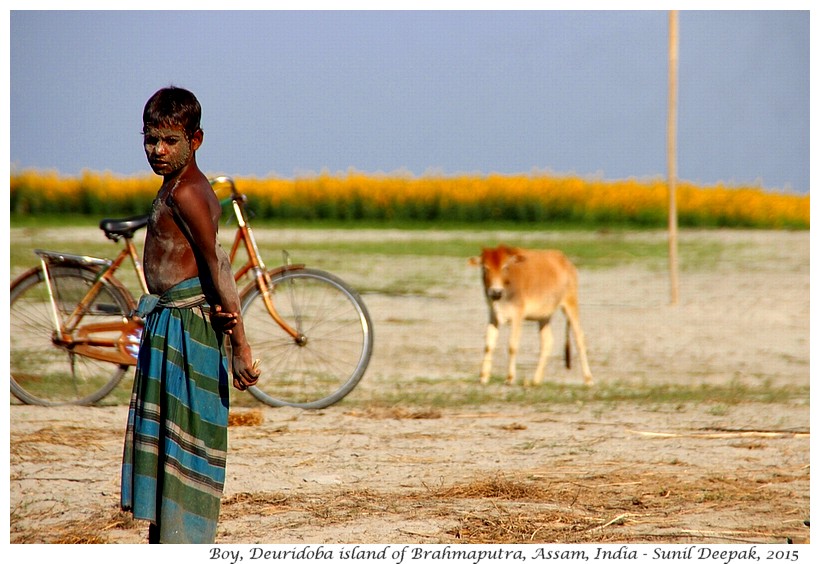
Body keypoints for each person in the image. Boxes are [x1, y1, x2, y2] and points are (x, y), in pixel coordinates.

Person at [120, 86, 260, 544]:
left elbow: (217, 263)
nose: (157, 151)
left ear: (195, 140)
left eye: (169, 141)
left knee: (187, 447)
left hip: (187, 329)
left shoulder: (190, 194)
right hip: (169, 324)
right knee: (168, 448)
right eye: (150, 139)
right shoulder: (174, 186)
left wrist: (240, 346)